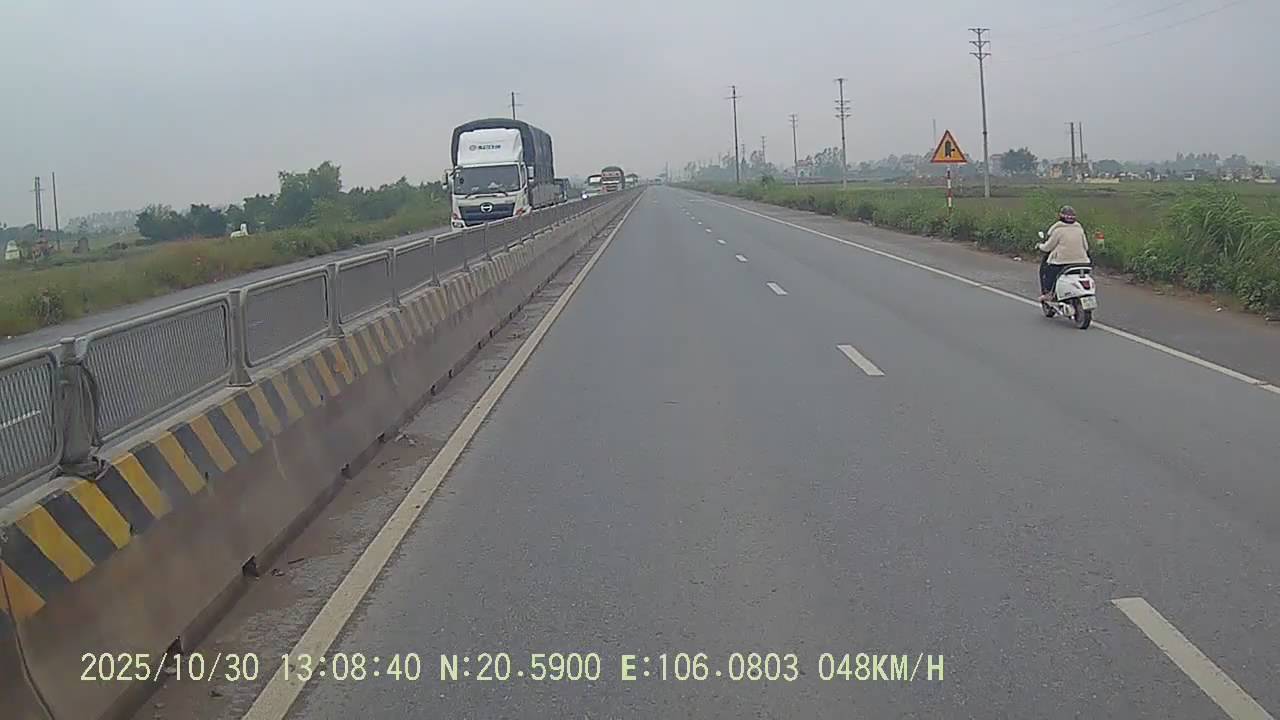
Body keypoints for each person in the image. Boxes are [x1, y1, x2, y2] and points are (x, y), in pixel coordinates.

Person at [1037, 205, 1092, 302]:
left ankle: (1048, 294)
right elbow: (1086, 247)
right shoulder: (1079, 230)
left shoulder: (1058, 230)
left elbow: (1048, 247)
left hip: (1061, 263)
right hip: (1082, 263)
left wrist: (1039, 246)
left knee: (1048, 273)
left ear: (1060, 216)